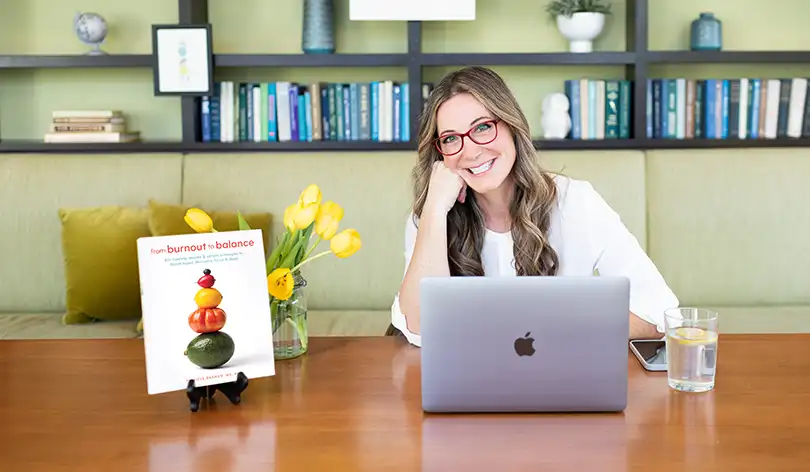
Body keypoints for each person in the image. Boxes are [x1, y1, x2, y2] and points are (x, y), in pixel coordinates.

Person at [387, 66, 679, 348]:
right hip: (464, 387)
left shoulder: (575, 202)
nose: (471, 150)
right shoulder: (431, 215)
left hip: (559, 382)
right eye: (450, 138)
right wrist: (435, 210)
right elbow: (419, 330)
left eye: (483, 127)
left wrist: (559, 325)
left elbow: (661, 315)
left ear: (512, 125)